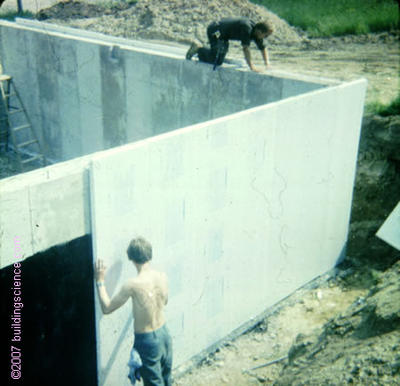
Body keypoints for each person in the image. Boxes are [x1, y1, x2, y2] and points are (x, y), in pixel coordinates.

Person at [94, 237, 172, 386]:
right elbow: (164, 301)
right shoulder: (162, 276)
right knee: (166, 378)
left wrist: (100, 280)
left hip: (148, 340)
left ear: (131, 258)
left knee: (154, 383)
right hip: (165, 334)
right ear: (149, 254)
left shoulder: (132, 285)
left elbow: (107, 307)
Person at [186, 17, 273, 71]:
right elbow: (246, 49)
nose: (265, 38)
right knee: (216, 60)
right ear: (259, 31)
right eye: (265, 36)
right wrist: (252, 67)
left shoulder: (256, 32)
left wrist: (267, 64)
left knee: (219, 56)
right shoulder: (247, 28)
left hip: (222, 33)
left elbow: (263, 47)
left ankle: (203, 51)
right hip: (215, 30)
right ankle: (199, 48)